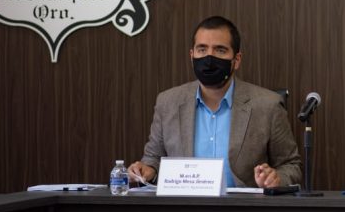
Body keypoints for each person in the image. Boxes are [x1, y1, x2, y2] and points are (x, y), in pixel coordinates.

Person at [128, 16, 302, 188]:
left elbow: (291, 165)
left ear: (237, 60)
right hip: (185, 204)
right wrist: (147, 170)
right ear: (192, 56)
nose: (209, 57)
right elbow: (153, 159)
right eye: (202, 49)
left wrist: (276, 178)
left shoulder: (268, 105)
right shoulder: (168, 102)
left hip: (243, 204)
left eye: (220, 50)